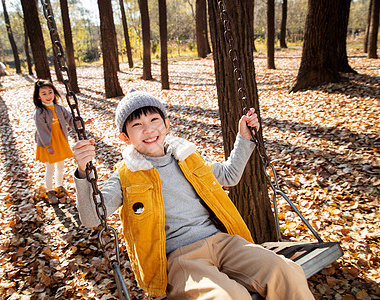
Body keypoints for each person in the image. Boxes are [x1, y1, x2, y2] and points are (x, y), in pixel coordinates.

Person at [72, 89, 314, 299]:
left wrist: (244, 138)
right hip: (182, 259)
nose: (148, 129)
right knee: (228, 297)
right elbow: (93, 218)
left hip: (224, 242)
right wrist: (83, 172)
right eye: (136, 125)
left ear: (167, 124)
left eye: (154, 119)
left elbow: (229, 175)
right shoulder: (126, 175)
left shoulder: (187, 157)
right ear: (124, 137)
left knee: (286, 272)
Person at [33, 79, 74, 204]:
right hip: (48, 143)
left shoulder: (59, 108)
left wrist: (82, 122)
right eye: (44, 93)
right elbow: (42, 130)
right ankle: (50, 191)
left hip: (59, 140)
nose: (48, 96)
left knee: (60, 166)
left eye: (50, 92)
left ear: (54, 93)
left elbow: (70, 119)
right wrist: (48, 145)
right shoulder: (40, 112)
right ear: (38, 97)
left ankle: (59, 186)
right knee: (50, 168)